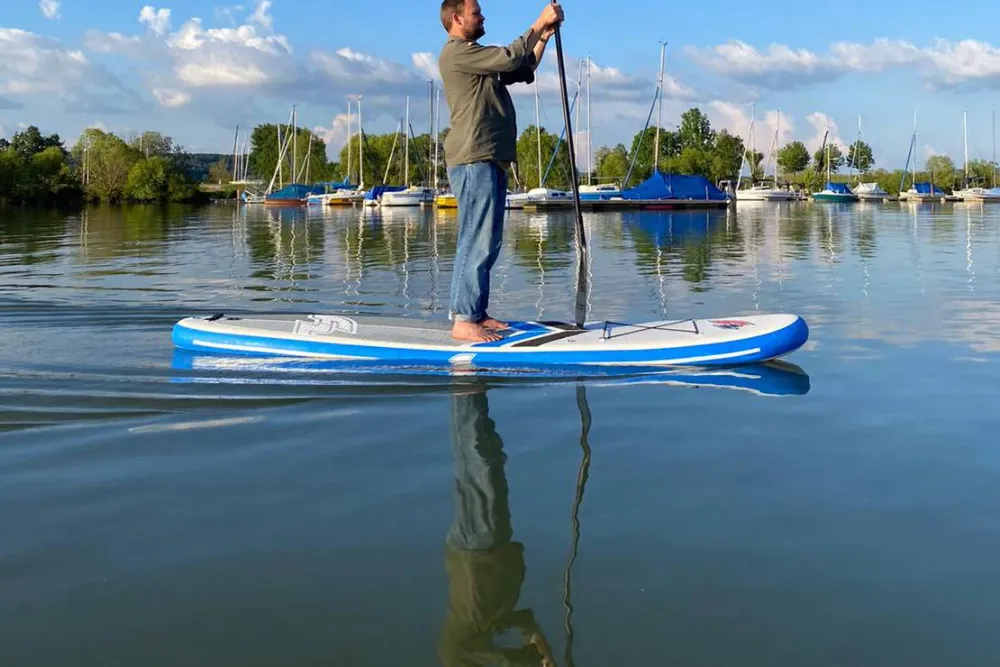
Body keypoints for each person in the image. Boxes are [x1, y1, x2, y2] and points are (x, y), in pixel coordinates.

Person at [438, 0, 564, 342]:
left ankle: (476, 312)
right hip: (473, 157)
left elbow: (521, 68)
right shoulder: (456, 53)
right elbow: (509, 56)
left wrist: (545, 37)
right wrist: (538, 22)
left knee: (488, 241)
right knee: (476, 239)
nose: (483, 17)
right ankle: (464, 319)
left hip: (490, 157)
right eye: (476, 12)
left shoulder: (478, 58)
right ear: (457, 18)